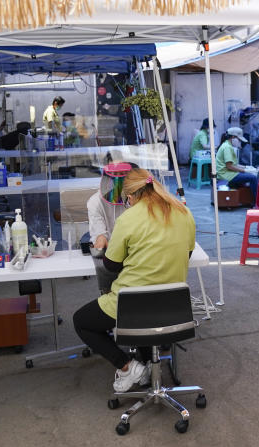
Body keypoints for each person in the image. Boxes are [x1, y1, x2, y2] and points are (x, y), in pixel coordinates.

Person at [72, 168, 196, 393]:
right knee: (148, 315)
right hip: (172, 307)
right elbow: (186, 255)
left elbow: (110, 265)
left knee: (82, 321)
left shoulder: (129, 218)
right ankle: (150, 366)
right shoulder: (184, 212)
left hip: (132, 306)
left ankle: (128, 367)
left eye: (126, 199)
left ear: (132, 196)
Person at [86, 162, 137, 293]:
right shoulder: (95, 202)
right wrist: (100, 238)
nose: (118, 186)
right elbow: (100, 235)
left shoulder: (138, 199)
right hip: (112, 255)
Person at [215, 126, 258, 203]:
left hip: (227, 173)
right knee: (253, 178)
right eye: (239, 140)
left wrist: (247, 167)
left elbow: (234, 164)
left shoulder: (227, 145)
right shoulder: (227, 147)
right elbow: (229, 166)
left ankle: (248, 199)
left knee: (250, 176)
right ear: (233, 137)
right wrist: (244, 171)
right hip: (226, 175)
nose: (239, 142)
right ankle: (256, 202)